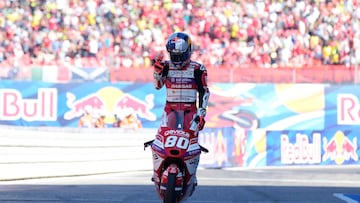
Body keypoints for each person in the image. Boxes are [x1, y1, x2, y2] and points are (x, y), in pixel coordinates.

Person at [151, 32, 210, 194]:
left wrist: (202, 113)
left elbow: (204, 91)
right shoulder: (166, 65)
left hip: (190, 110)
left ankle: (191, 175)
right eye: (173, 56)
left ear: (188, 51)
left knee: (192, 142)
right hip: (170, 109)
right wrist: (157, 73)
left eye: (180, 56)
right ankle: (157, 173)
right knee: (161, 140)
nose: (176, 60)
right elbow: (157, 86)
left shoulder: (198, 68)